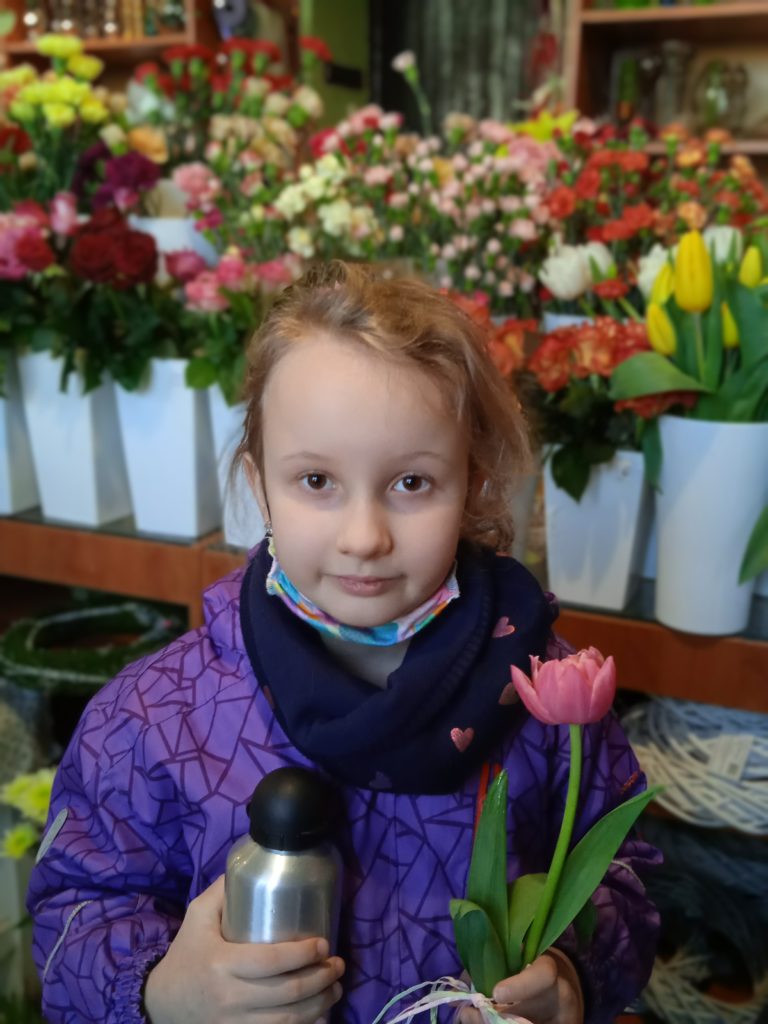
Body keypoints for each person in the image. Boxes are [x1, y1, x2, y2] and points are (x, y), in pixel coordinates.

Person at [27, 262, 660, 1024]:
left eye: (412, 483)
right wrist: (161, 992)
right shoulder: (150, 719)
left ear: (471, 484)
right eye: (317, 481)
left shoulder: (551, 701)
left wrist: (571, 978)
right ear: (260, 484)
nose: (365, 537)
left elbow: (629, 877)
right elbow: (73, 911)